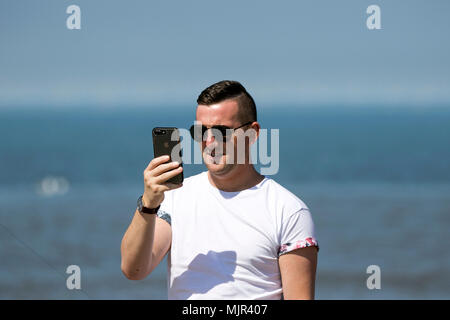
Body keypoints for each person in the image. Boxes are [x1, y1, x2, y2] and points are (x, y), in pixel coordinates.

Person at [121, 80, 319, 300]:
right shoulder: (175, 198)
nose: (209, 141)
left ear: (252, 134)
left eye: (221, 131)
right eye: (200, 131)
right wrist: (149, 204)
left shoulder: (288, 210)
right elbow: (134, 270)